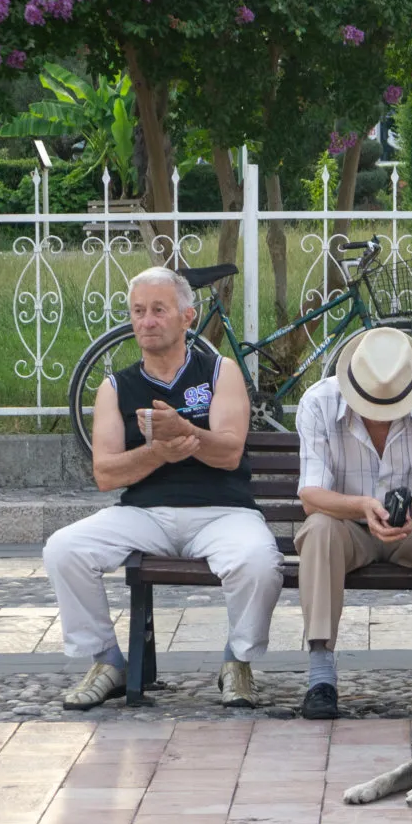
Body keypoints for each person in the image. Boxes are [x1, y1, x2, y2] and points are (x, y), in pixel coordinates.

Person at [43, 267, 284, 711]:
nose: (147, 321)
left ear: (186, 317)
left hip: (223, 511)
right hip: (144, 515)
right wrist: (159, 452)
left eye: (159, 310)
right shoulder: (115, 386)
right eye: (139, 311)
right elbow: (106, 474)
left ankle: (238, 661)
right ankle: (107, 661)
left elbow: (230, 453)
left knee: (258, 561)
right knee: (63, 549)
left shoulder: (220, 372)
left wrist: (184, 430)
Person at [294, 326, 412, 720]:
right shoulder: (318, 402)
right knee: (319, 530)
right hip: (349, 528)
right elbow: (311, 496)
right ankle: (320, 677)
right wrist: (362, 507)